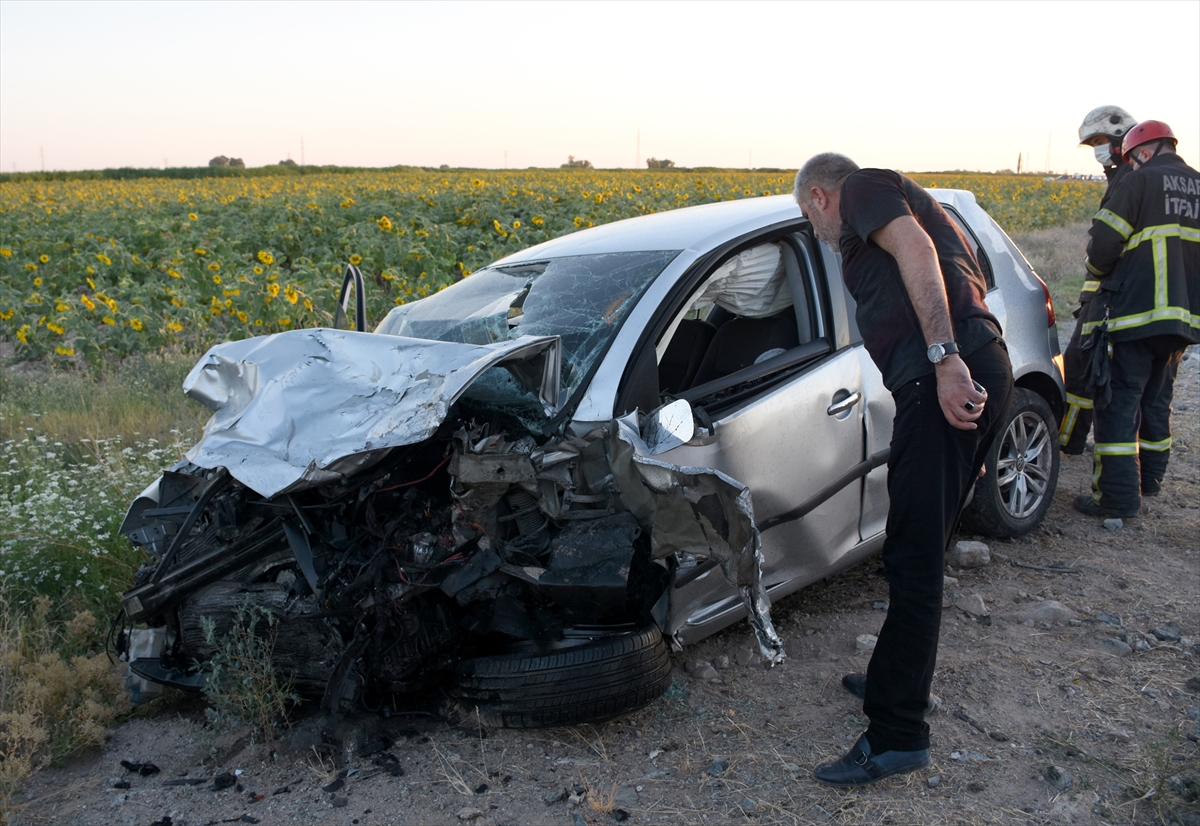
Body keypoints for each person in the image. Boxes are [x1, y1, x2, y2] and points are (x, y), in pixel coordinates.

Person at [793, 154, 1013, 786]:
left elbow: (914, 252)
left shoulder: (864, 187)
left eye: (808, 218)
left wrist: (943, 360)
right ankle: (894, 676)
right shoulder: (929, 207)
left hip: (942, 377)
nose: (815, 233)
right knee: (922, 543)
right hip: (972, 368)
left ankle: (897, 735)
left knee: (914, 558)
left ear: (819, 196)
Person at [1073, 120, 1200, 518]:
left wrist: (1095, 267)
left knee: (1117, 403)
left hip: (1136, 315)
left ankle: (1116, 499)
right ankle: (1152, 480)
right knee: (1157, 398)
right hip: (1182, 322)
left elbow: (1104, 245)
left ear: (1142, 153)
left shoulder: (1139, 181)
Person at [1060, 106, 1139, 454]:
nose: (1097, 149)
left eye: (1100, 141)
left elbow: (1108, 244)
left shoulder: (1129, 178)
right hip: (1108, 293)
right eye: (1092, 143)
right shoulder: (1121, 175)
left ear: (1122, 140)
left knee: (1079, 367)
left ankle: (1068, 442)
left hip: (1110, 294)